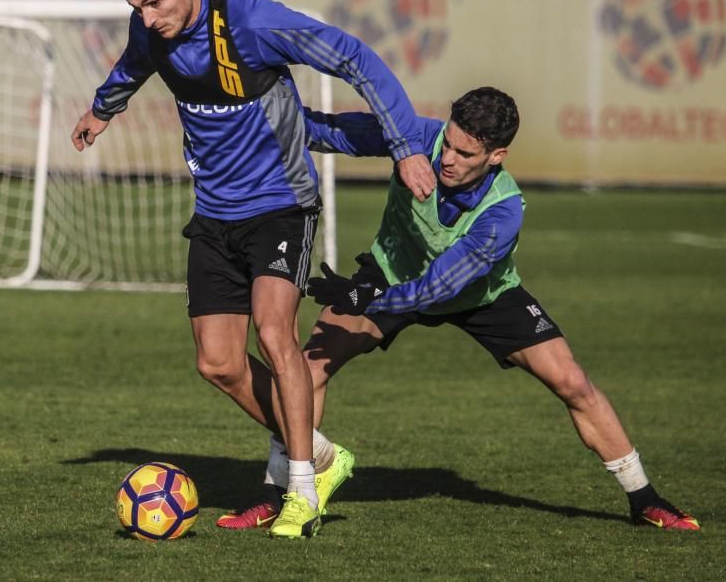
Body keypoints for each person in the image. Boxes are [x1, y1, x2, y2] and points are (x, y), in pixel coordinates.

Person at [70, 0, 435, 539]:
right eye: (138, 7)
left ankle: (299, 490)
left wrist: (403, 146)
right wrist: (103, 110)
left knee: (273, 333)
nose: (147, 17)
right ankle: (320, 455)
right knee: (216, 362)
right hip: (214, 212)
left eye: (156, 2)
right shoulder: (149, 30)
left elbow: (355, 58)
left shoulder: (253, 24)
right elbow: (132, 65)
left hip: (281, 204)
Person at [220, 86, 701, 532]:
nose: (446, 158)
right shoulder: (418, 139)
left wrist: (365, 298)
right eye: (447, 143)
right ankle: (281, 492)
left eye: (464, 153)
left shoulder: (503, 210)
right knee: (308, 368)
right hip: (392, 270)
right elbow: (332, 131)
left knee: (573, 381)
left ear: (497, 156)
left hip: (482, 295)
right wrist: (260, 116)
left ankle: (644, 499)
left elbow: (438, 288)